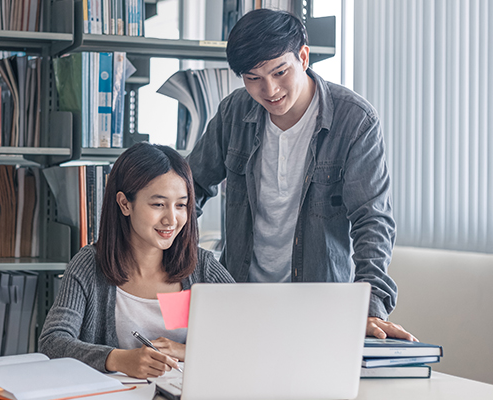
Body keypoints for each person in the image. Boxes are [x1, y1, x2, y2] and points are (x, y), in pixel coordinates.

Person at [186, 9, 415, 341]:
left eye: (280, 72)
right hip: (239, 299)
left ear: (303, 56)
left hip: (320, 306)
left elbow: (372, 220)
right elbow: (188, 191)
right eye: (253, 78)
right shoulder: (233, 112)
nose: (270, 90)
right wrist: (182, 267)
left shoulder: (354, 121)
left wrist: (370, 307)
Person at [38, 143, 234, 379]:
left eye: (181, 205)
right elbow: (52, 342)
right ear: (124, 204)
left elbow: (252, 334)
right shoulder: (90, 265)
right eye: (158, 204)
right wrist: (118, 359)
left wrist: (186, 351)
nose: (172, 219)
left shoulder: (202, 266)